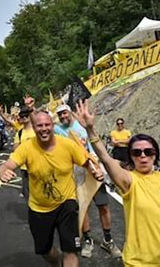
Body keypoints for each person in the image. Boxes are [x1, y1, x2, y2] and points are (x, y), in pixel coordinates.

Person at [74, 99, 160, 266]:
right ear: (131, 157)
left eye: (148, 151)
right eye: (137, 152)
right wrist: (90, 129)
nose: (143, 155)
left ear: (155, 155)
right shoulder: (129, 181)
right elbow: (105, 158)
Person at [0, 111, 103, 267]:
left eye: (47, 125)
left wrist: (94, 170)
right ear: (34, 128)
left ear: (53, 126)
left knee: (71, 250)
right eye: (39, 126)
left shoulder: (67, 144)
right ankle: (57, 262)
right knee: (44, 251)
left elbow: (86, 161)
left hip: (66, 203)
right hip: (39, 209)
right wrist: (2, 171)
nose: (44, 128)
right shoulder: (26, 147)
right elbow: (7, 164)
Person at [55, 104, 121, 259]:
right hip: (76, 173)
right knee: (83, 207)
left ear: (69, 112)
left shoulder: (81, 125)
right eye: (60, 115)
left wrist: (97, 165)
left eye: (65, 113)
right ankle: (88, 239)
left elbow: (93, 144)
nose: (63, 117)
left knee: (103, 205)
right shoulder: (57, 130)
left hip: (93, 168)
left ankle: (108, 239)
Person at [13, 106, 35, 199]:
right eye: (21, 117)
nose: (23, 118)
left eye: (26, 116)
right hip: (25, 167)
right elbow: (16, 150)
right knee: (27, 191)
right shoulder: (19, 133)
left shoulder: (37, 129)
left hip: (38, 164)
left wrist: (30, 106)